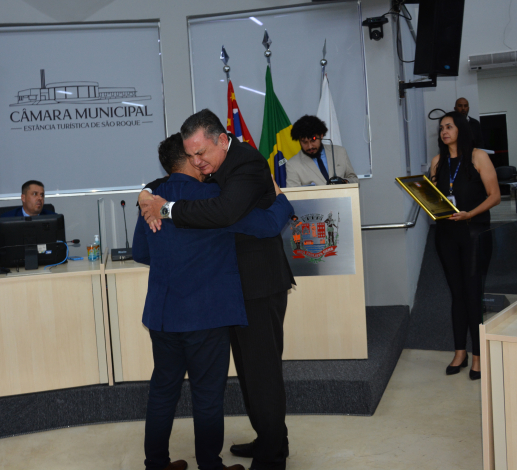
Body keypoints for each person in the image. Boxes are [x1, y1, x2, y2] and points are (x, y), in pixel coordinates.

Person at [139, 109, 294, 470]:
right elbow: (177, 181)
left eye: (201, 153)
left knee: (260, 374)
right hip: (223, 297)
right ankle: (263, 442)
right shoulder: (202, 183)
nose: (198, 161)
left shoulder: (244, 166)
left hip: (256, 287)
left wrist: (160, 204)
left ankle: (272, 457)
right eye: (191, 156)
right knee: (243, 377)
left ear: (222, 141)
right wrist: (145, 193)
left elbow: (229, 213)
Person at [430, 112, 500, 380]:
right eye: (441, 128)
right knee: (457, 295)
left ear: (460, 128)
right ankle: (460, 352)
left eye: (449, 126)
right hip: (446, 234)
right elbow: (436, 198)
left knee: (473, 294)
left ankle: (478, 356)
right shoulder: (438, 161)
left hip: (474, 231)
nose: (444, 131)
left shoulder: (478, 157)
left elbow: (495, 196)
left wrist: (470, 213)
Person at [285, 115, 358, 187]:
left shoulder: (340, 152)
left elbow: (355, 180)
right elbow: (293, 193)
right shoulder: (292, 164)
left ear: (321, 135)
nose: (310, 146)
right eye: (304, 142)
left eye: (313, 140)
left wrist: (344, 182)